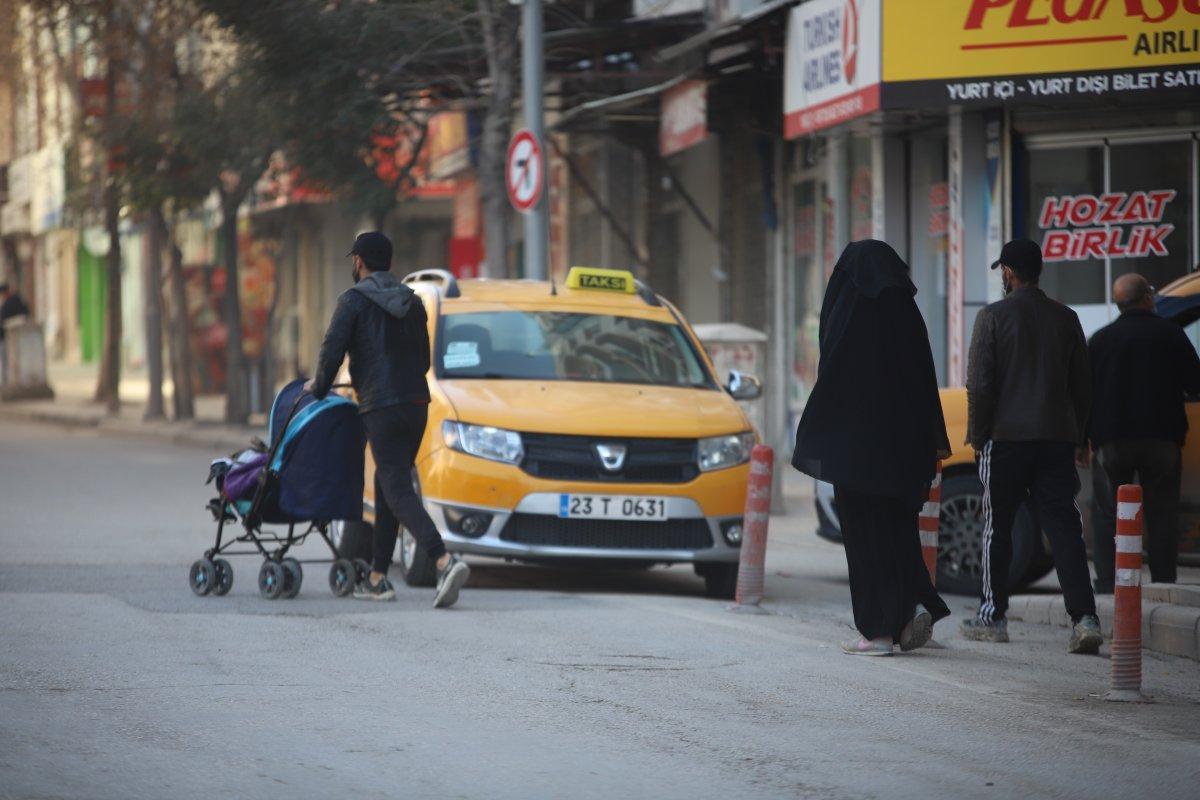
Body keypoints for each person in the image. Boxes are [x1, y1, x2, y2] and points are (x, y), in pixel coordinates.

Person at [792, 240, 951, 656]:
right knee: (898, 533)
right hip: (902, 449)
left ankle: (877, 631)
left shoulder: (848, 311)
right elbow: (923, 381)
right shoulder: (906, 313)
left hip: (855, 450)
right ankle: (909, 612)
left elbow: (833, 380)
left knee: (864, 540)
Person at [305, 232, 470, 607]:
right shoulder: (412, 303)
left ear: (359, 261)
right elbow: (424, 360)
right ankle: (378, 578)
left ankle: (443, 559)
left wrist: (317, 388)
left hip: (380, 404)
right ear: (389, 262)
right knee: (386, 483)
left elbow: (331, 352)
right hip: (415, 404)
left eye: (354, 259)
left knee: (396, 486)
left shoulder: (352, 301)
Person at [963, 239, 1102, 654]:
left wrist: (978, 435)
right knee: (1064, 528)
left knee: (997, 527)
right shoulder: (1066, 318)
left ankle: (992, 616)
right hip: (1057, 439)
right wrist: (1081, 437)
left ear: (1008, 272)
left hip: (1005, 439)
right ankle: (1084, 619)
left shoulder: (991, 317)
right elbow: (1083, 386)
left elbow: (981, 385)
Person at [1087, 273, 1200, 592]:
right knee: (1162, 512)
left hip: (1112, 441)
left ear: (1120, 304)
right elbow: (1195, 382)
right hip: (1162, 440)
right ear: (1147, 298)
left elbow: (1083, 393)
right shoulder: (1171, 335)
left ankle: (1109, 582)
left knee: (1108, 512)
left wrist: (1083, 439)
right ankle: (1163, 582)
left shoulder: (1100, 339)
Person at [0, 282, 30, 384]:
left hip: (11, 337)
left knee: (9, 361)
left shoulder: (13, 301)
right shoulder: (10, 301)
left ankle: (9, 382)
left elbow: (23, 315)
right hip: (6, 337)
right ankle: (7, 381)